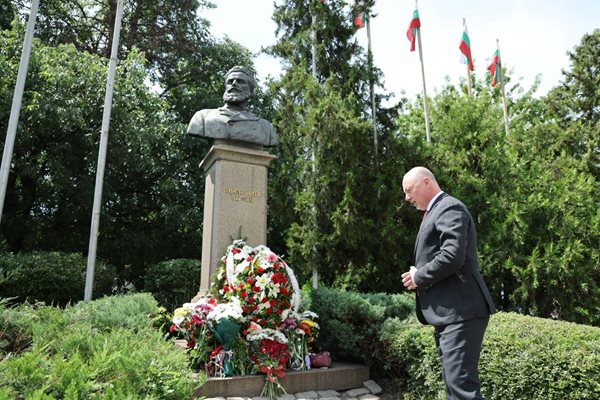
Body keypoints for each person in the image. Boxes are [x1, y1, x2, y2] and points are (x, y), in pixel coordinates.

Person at [401, 166, 496, 400]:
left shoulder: (449, 208)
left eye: (409, 190)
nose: (407, 198)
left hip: (461, 313)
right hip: (451, 315)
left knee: (461, 389)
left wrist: (419, 276)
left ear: (426, 183)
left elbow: (452, 255)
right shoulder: (436, 211)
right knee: (454, 389)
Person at [187, 66, 278, 148]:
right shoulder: (203, 118)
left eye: (240, 81)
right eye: (230, 82)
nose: (234, 84)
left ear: (251, 90)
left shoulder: (267, 128)